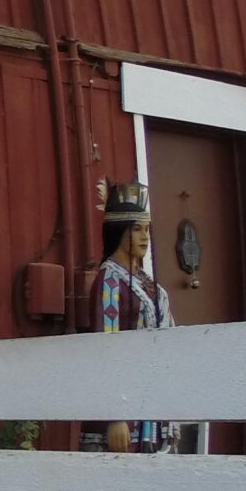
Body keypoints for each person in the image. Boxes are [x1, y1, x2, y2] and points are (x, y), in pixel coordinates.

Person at [90, 180, 174, 454]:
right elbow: (108, 348)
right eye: (136, 229)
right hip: (126, 411)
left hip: (152, 403)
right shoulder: (110, 282)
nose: (144, 237)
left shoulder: (148, 284)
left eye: (147, 230)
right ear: (119, 231)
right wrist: (115, 415)